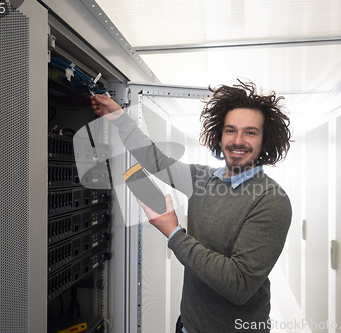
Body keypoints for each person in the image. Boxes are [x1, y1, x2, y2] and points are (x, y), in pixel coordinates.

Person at [90, 81, 292, 333]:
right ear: (219, 137)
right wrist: (119, 117)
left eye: (250, 132)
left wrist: (174, 234)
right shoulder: (201, 178)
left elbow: (238, 285)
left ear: (265, 141)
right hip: (188, 325)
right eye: (230, 131)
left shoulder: (271, 200)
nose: (238, 140)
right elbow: (155, 160)